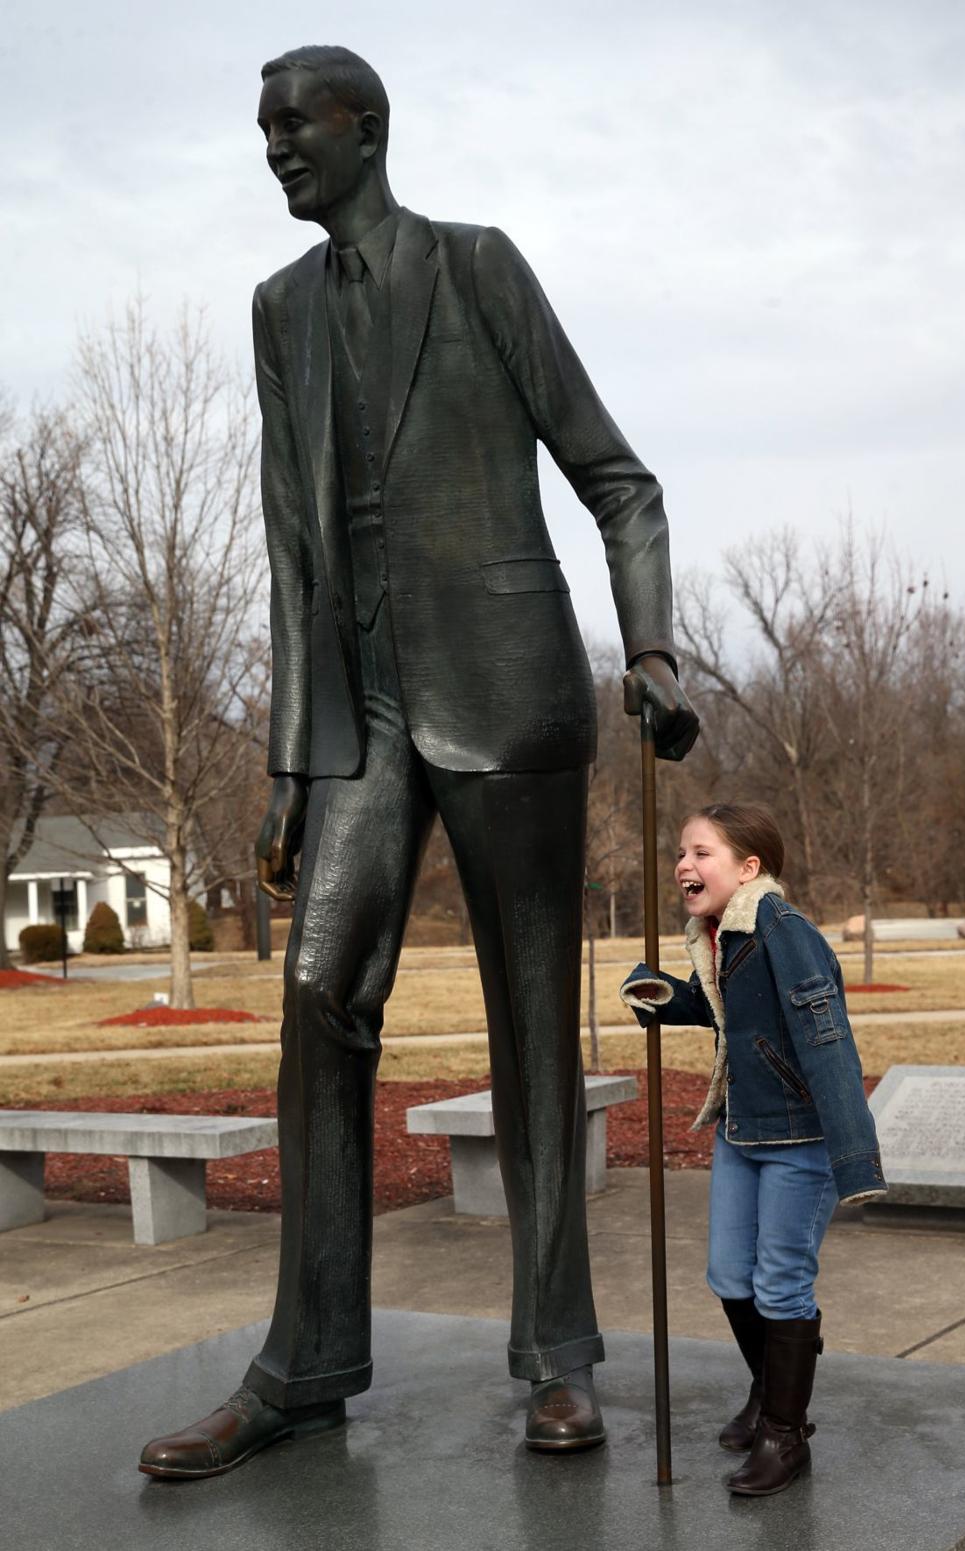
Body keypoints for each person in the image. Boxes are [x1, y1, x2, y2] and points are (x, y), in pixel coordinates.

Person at [138, 45, 699, 1480]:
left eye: (292, 124)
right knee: (320, 993)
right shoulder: (281, 315)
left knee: (530, 1029)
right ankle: (307, 1360)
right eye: (259, 127)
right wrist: (284, 763)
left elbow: (617, 480)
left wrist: (650, 652)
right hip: (364, 722)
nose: (272, 148)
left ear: (364, 128)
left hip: (508, 698)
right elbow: (287, 544)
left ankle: (559, 1357)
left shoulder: (479, 267)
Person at [620, 803, 886, 1496]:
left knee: (779, 1282)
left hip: (799, 1137)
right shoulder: (724, 935)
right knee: (729, 1273)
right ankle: (770, 1388)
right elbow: (730, 1009)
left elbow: (826, 1039)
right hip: (743, 1128)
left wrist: (854, 1155)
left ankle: (784, 1432)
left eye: (702, 852)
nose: (684, 863)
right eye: (681, 852)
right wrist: (665, 995)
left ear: (749, 866)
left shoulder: (783, 931)